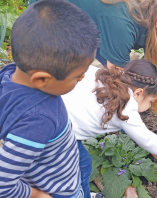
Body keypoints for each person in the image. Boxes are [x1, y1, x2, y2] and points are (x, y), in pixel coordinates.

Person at [28, 0, 157, 151]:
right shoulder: (123, 26)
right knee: (52, 95)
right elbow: (122, 97)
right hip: (49, 17)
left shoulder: (149, 22)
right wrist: (146, 142)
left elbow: (152, 87)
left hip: (85, 26)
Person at [0, 0, 99, 197]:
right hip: (58, 191)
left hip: (56, 165)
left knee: (84, 163)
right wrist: (38, 195)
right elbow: (3, 185)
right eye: (77, 76)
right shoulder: (39, 119)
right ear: (42, 79)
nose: (83, 78)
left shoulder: (8, 75)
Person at [62, 60, 157, 197]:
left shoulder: (106, 78)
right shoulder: (127, 107)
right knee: (75, 171)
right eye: (151, 101)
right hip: (58, 136)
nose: (150, 106)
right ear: (138, 93)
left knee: (82, 163)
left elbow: (134, 127)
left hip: (55, 114)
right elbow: (147, 139)